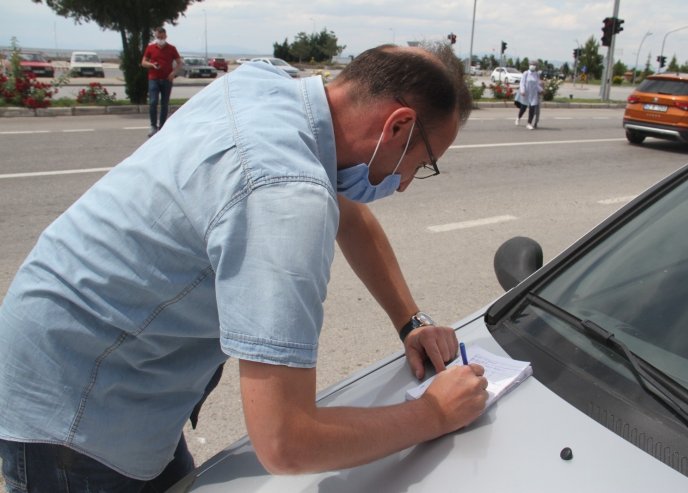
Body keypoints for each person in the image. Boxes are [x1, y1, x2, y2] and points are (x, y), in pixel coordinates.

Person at [0, 43, 488, 491]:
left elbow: (349, 212)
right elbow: (286, 441)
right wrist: (433, 413)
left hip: (77, 349)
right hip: (76, 411)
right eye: (420, 164)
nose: (402, 186)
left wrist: (410, 321)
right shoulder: (285, 196)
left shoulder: (267, 83)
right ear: (397, 126)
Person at [141, 27, 183, 137]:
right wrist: (152, 65)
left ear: (166, 36)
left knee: (164, 104)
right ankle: (153, 126)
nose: (160, 39)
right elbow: (143, 62)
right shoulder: (151, 48)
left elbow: (179, 63)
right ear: (156, 37)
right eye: (158, 37)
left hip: (167, 79)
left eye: (162, 37)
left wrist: (173, 73)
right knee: (153, 102)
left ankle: (162, 126)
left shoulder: (171, 48)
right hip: (153, 79)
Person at [519, 63, 542, 130]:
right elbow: (522, 82)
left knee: (532, 109)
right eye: (532, 64)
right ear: (529, 65)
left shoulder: (536, 74)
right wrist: (522, 90)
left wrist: (541, 90)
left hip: (534, 94)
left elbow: (537, 84)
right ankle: (519, 117)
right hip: (526, 93)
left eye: (534, 64)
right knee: (523, 108)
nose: (533, 66)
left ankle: (529, 123)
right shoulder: (526, 73)